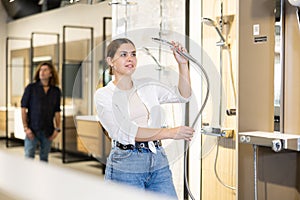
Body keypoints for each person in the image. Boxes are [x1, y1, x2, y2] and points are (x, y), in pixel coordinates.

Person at [94, 38, 194, 199]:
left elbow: (183, 95)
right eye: (123, 54)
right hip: (127, 162)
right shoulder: (104, 95)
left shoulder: (147, 86)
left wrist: (182, 64)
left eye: (133, 54)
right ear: (110, 61)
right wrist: (169, 132)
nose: (130, 58)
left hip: (157, 158)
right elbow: (125, 131)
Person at [21, 61, 61, 162]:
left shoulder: (56, 91)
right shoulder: (31, 88)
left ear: (51, 74)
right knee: (29, 157)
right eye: (40, 70)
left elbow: (57, 111)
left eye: (45, 70)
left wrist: (57, 129)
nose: (42, 72)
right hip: (32, 129)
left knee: (44, 159)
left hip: (48, 131)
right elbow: (23, 108)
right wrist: (26, 128)